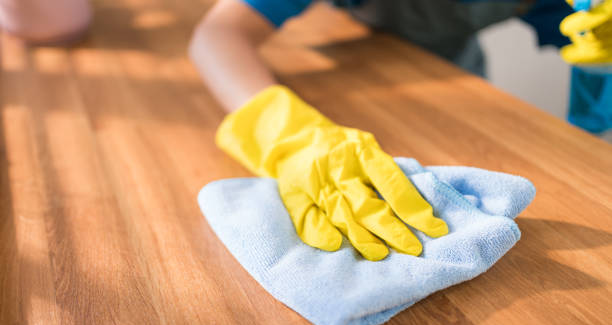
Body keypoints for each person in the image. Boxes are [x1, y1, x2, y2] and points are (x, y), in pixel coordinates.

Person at [0, 0, 595, 261]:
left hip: (451, 85)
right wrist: (295, 138)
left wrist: (603, 68)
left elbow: (584, 75)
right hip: (348, 79)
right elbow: (217, 37)